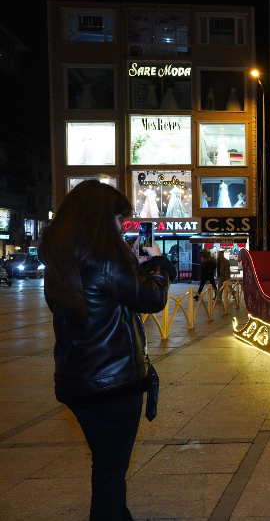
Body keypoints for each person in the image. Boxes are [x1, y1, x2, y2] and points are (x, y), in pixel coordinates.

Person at [39, 180, 176, 521]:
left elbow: (107, 296)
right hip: (113, 384)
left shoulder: (60, 262)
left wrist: (134, 268)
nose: (120, 225)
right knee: (111, 469)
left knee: (104, 462)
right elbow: (153, 298)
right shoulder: (107, 260)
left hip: (76, 382)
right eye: (117, 219)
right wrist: (159, 266)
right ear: (101, 220)